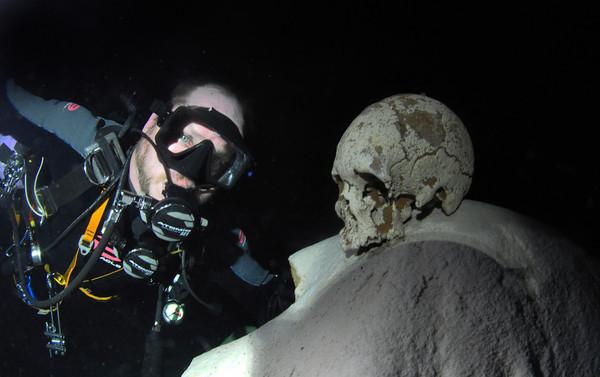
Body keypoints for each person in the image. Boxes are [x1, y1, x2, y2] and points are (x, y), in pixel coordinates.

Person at [0, 75, 294, 360]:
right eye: (184, 135)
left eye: (216, 158)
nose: (191, 168)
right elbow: (13, 100)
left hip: (102, 330)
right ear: (153, 123)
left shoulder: (212, 230)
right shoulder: (80, 137)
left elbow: (269, 290)